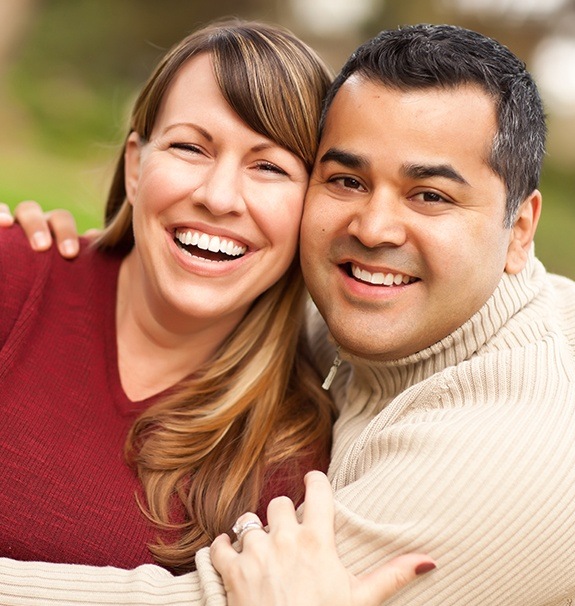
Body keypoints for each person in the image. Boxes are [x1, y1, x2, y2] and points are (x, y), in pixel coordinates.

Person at [10, 19, 572, 606]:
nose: (373, 228)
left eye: (430, 195)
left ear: (520, 230)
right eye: (347, 180)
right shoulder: (358, 312)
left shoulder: (516, 454)